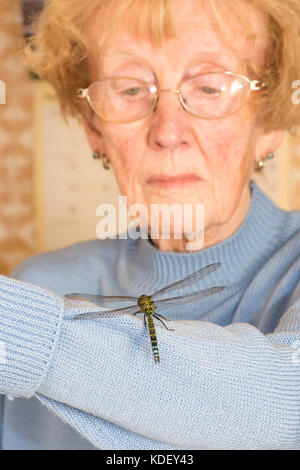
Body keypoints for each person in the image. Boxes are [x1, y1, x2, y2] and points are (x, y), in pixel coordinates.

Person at [0, 0, 300, 450]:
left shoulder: (22, 315)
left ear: (271, 121)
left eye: (211, 87)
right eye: (130, 89)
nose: (167, 130)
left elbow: (285, 406)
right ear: (93, 128)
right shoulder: (41, 285)